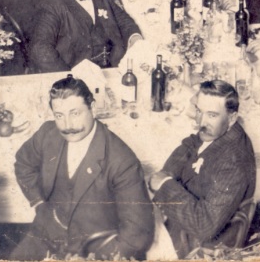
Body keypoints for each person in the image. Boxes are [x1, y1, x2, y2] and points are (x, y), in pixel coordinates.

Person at [11, 76, 153, 260]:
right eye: (59, 115)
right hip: (45, 235)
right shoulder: (48, 133)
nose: (67, 125)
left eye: (75, 113)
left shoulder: (122, 160)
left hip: (94, 249)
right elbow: (23, 163)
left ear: (93, 108)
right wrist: (38, 202)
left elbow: (138, 232)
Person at [149, 80, 257, 258]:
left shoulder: (232, 163)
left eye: (212, 115)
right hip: (186, 215)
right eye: (199, 111)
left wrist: (165, 184)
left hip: (196, 244)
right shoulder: (220, 130)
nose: (201, 122)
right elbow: (191, 143)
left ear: (232, 118)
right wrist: (168, 172)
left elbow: (204, 225)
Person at [30, 0, 143, 72]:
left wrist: (135, 38)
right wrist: (70, 77)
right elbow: (40, 49)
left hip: (115, 66)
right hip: (79, 73)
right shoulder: (50, 6)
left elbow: (123, 20)